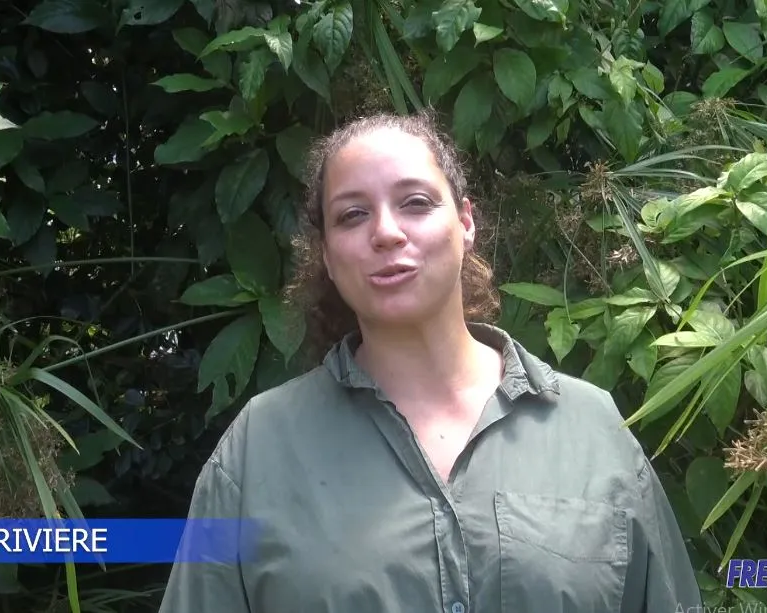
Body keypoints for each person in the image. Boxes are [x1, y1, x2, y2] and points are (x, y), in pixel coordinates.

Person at [158, 112, 703, 613]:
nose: (387, 232)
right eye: (352, 215)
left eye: (415, 203)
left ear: (466, 222)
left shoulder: (592, 429)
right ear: (326, 254)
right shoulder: (256, 451)